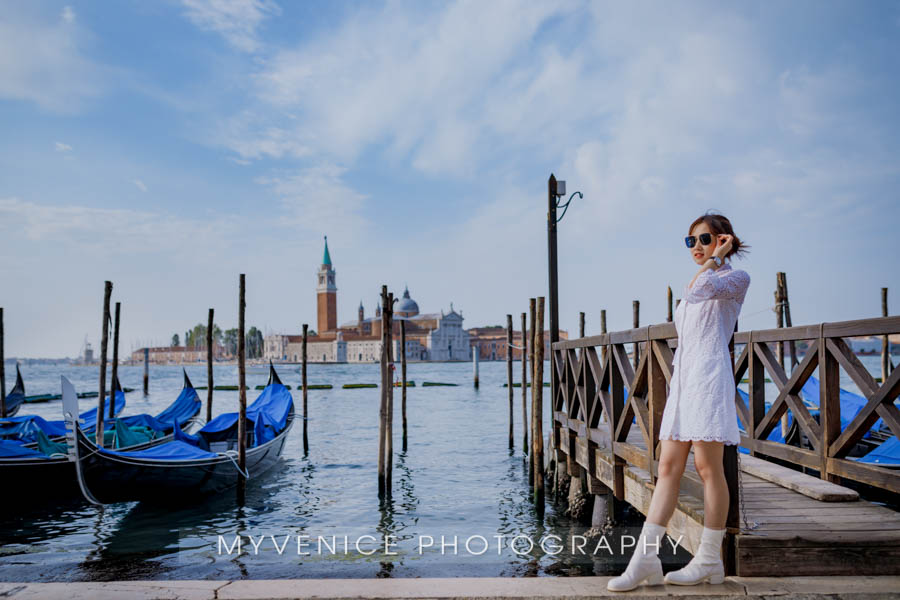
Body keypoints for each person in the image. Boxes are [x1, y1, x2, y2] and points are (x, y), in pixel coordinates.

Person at [607, 212, 751, 592]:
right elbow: (692, 296)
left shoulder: (735, 279)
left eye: (704, 240)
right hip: (684, 384)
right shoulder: (702, 278)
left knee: (707, 468)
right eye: (691, 242)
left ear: (724, 240)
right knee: (668, 466)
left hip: (709, 381)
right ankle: (646, 560)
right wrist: (709, 261)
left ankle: (708, 559)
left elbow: (699, 292)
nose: (697, 248)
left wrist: (716, 260)